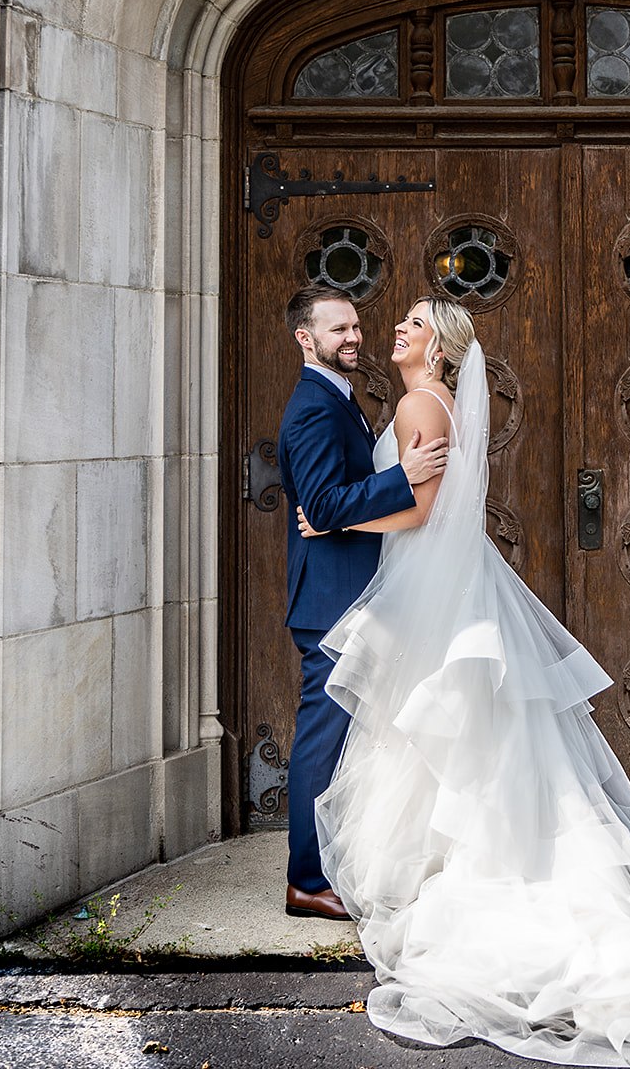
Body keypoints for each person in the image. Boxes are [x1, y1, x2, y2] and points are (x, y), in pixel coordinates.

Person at [299, 296, 630, 1065]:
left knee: (447, 739)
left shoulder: (420, 406)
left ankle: (470, 875)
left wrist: (335, 520)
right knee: (466, 738)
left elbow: (423, 510)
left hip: (431, 584)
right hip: (441, 586)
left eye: (414, 324)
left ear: (438, 351)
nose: (395, 331)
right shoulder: (420, 400)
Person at [277, 285, 449, 920]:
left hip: (352, 595)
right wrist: (403, 477)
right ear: (306, 339)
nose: (353, 337)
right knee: (322, 739)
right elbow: (320, 506)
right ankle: (305, 881)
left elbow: (331, 501)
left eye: (355, 326)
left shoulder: (339, 397)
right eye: (337, 330)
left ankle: (340, 862)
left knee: (350, 737)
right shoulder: (314, 409)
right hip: (329, 601)